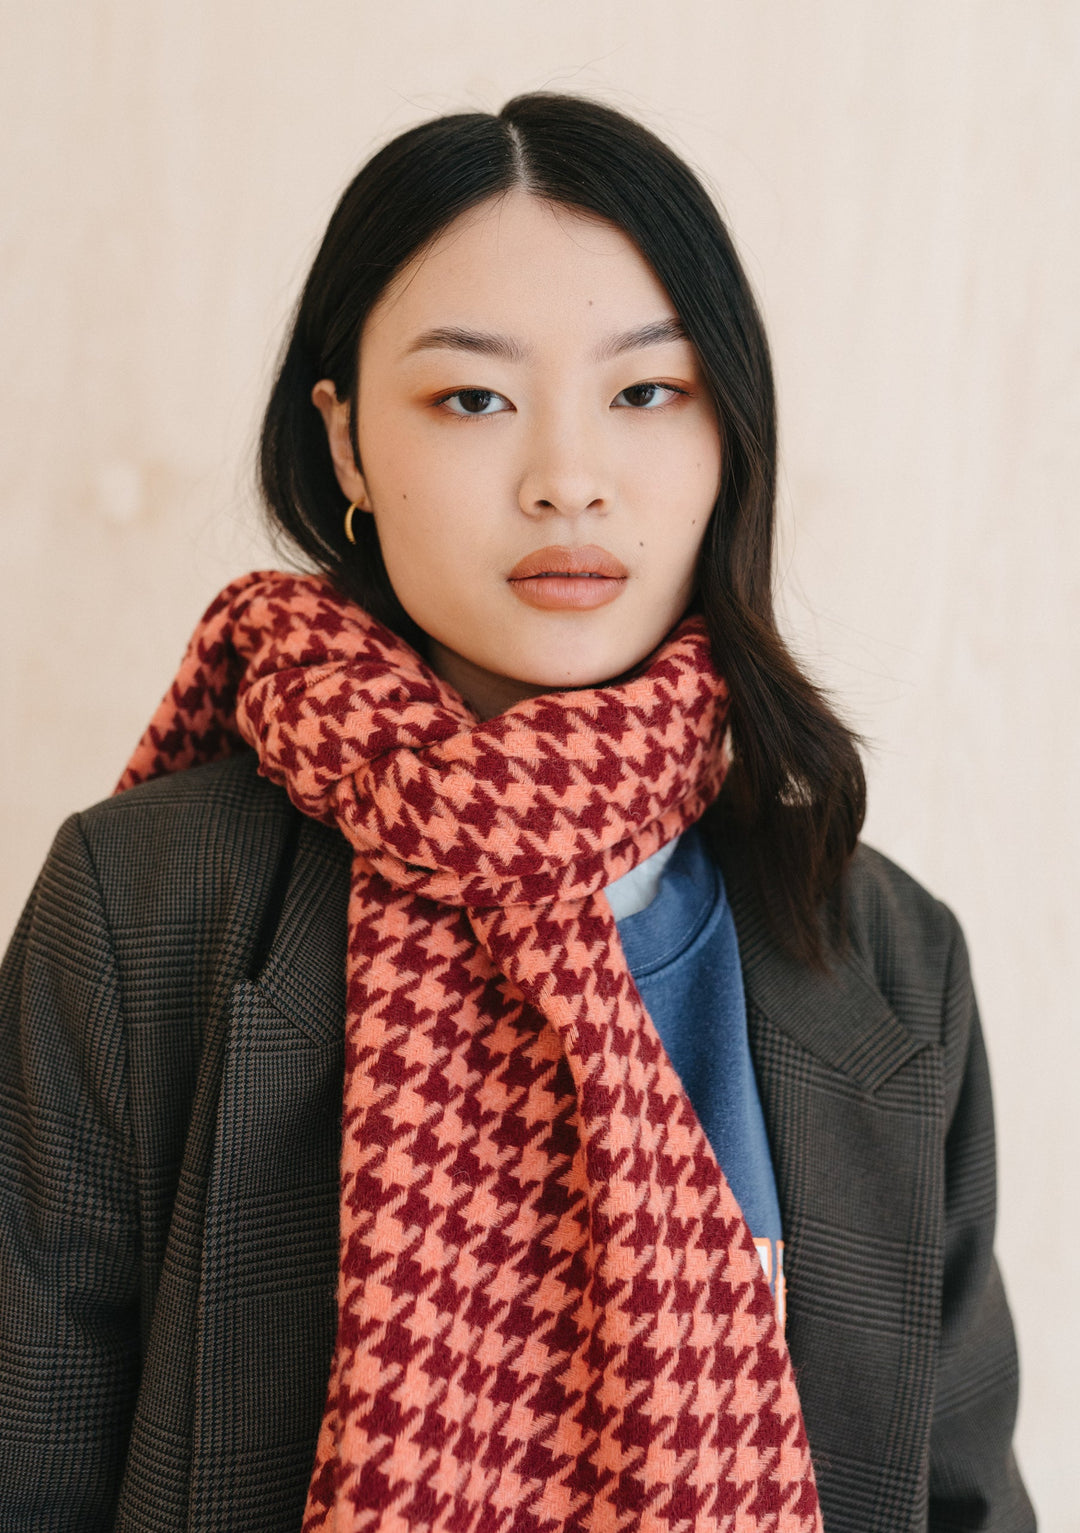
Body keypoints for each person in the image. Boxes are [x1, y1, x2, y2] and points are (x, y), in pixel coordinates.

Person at [0, 94, 1034, 1533]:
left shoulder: (891, 957)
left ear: (728, 434)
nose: (566, 477)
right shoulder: (142, 911)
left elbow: (961, 1498)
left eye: (645, 392)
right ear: (348, 446)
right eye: (472, 397)